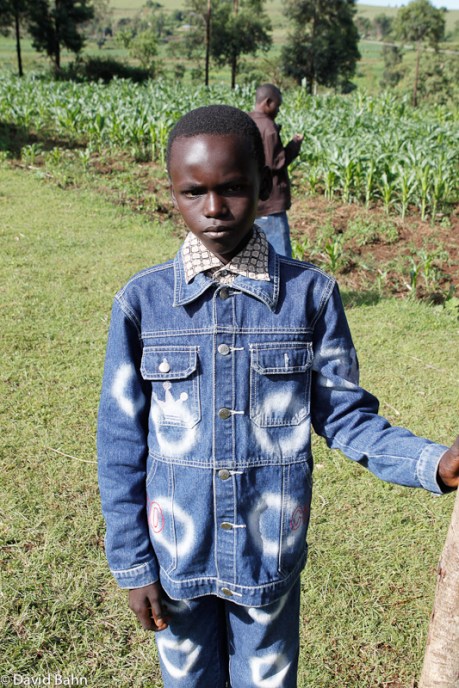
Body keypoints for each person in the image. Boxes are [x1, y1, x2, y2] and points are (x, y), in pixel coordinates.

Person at [97, 104, 459, 688]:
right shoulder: (141, 305)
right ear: (173, 192)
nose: (214, 209)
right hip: (175, 560)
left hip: (267, 556)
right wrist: (133, 563)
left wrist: (432, 462)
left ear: (266, 187)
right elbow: (119, 444)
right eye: (194, 192)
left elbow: (345, 415)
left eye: (235, 189)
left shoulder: (310, 296)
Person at [249, 83, 303, 258]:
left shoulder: (246, 121)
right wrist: (294, 144)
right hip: (271, 203)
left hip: (252, 200)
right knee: (281, 256)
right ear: (268, 102)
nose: (278, 110)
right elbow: (277, 162)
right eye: (277, 106)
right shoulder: (268, 127)